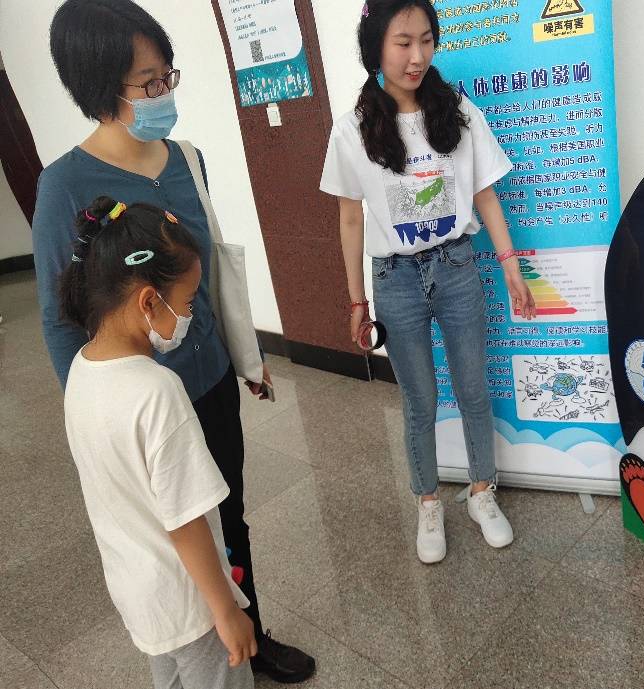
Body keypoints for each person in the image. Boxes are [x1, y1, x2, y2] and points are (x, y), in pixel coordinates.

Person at [33, 1, 314, 681]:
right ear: (101, 86)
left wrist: (245, 358)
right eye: (148, 82)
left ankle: (249, 633)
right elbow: (58, 317)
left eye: (168, 75)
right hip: (140, 407)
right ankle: (202, 643)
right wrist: (95, 416)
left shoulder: (188, 159)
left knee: (229, 515)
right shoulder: (64, 185)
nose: (164, 93)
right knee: (171, 536)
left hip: (207, 379)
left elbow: (206, 272)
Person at [319, 0, 537, 565]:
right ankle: (428, 502)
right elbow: (349, 219)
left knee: (473, 388)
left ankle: (482, 493)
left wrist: (510, 266)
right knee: (420, 399)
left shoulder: (457, 111)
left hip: (458, 267)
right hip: (394, 278)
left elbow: (485, 194)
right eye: (403, 42)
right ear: (375, 48)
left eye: (426, 40)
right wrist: (356, 301)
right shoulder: (352, 129)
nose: (417, 56)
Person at [60, 196, 256, 688]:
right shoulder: (156, 390)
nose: (189, 313)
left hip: (139, 594)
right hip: (191, 601)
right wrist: (225, 610)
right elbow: (184, 519)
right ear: (149, 301)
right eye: (187, 302)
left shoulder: (82, 370)